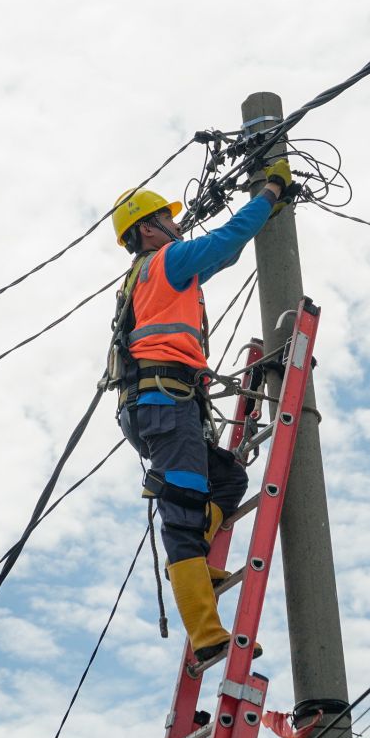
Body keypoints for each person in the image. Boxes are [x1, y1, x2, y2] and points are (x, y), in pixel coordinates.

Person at [110, 158, 292, 662]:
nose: (177, 223)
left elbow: (221, 256)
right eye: (168, 219)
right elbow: (228, 239)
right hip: (163, 401)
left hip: (163, 403)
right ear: (148, 230)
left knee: (227, 478)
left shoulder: (150, 274)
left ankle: (197, 562)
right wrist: (270, 191)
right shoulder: (164, 262)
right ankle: (208, 635)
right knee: (184, 510)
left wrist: (265, 209)